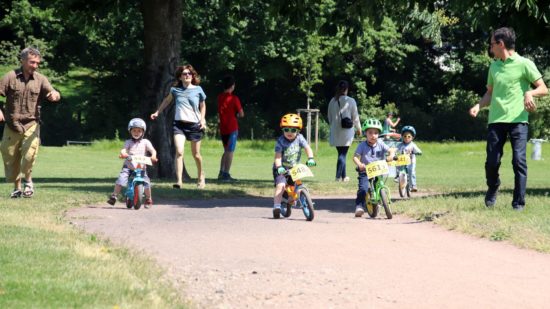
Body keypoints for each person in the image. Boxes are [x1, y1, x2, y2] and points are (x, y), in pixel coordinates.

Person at [469, 27, 548, 211]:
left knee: (519, 161)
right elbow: (490, 93)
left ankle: (518, 203)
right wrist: (478, 105)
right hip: (496, 121)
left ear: (500, 44)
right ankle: (493, 185)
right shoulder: (494, 66)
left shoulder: (524, 64)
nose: (490, 48)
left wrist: (530, 93)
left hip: (518, 121)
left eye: (492, 44)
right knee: (492, 162)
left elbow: (543, 88)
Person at [0, 47, 61, 198]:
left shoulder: (40, 79)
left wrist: (55, 95)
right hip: (11, 124)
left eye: (37, 63)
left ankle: (28, 182)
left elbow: (52, 92)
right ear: (23, 60)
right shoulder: (10, 77)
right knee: (10, 158)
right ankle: (17, 187)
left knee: (29, 155)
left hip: (31, 124)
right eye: (32, 62)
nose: (35, 65)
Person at [151, 64, 207, 189]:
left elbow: (203, 106)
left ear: (192, 76)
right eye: (184, 74)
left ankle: (200, 176)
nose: (187, 75)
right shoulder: (175, 90)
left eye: (189, 74)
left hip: (195, 125)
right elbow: (166, 101)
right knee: (179, 151)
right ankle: (179, 181)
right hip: (179, 124)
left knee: (196, 154)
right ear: (180, 77)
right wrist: (157, 112)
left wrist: (202, 120)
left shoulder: (198, 90)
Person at [272, 113, 316, 218]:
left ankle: (298, 197)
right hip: (281, 168)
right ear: (283, 130)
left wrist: (310, 158)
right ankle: (277, 206)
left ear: (298, 130)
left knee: (297, 184)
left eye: (293, 130)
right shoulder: (280, 141)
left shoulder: (300, 138)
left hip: (294, 168)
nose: (289, 133)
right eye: (286, 130)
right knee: (281, 186)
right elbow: (277, 157)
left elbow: (307, 148)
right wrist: (279, 167)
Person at [107, 118, 158, 208]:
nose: (136, 132)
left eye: (139, 131)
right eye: (134, 130)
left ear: (143, 132)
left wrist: (153, 156)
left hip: (141, 167)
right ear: (130, 131)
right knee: (121, 179)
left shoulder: (146, 142)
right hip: (129, 167)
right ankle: (114, 196)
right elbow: (124, 149)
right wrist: (123, 153)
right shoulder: (128, 142)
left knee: (146, 183)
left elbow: (152, 150)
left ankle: (148, 198)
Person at [352, 118, 396, 217]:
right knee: (363, 188)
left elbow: (390, 150)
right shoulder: (362, 145)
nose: (373, 135)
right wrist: (359, 164)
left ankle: (382, 200)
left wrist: (391, 154)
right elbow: (355, 157)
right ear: (365, 133)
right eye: (370, 133)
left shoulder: (380, 143)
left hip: (378, 169)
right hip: (365, 170)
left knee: (379, 184)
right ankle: (359, 206)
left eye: (376, 133)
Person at [327, 80, 361, 182]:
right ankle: (338, 177)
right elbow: (355, 117)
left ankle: (344, 176)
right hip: (347, 132)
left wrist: (333, 126)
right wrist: (359, 129)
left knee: (341, 154)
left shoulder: (332, 101)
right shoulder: (351, 101)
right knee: (343, 154)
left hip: (335, 131)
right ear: (347, 89)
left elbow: (329, 117)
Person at [217, 75, 244, 182]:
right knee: (230, 151)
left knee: (226, 151)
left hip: (223, 127)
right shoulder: (234, 98)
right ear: (232, 86)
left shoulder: (219, 97)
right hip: (232, 127)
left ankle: (221, 172)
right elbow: (241, 114)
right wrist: (236, 115)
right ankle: (226, 174)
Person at [396, 126, 422, 192]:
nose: (406, 138)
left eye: (409, 136)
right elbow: (395, 150)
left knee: (411, 172)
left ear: (412, 137)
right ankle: (397, 176)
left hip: (411, 162)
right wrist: (394, 153)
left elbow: (418, 151)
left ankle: (413, 185)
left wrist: (418, 152)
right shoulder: (400, 145)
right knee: (397, 166)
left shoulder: (413, 145)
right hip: (402, 161)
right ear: (402, 137)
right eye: (405, 136)